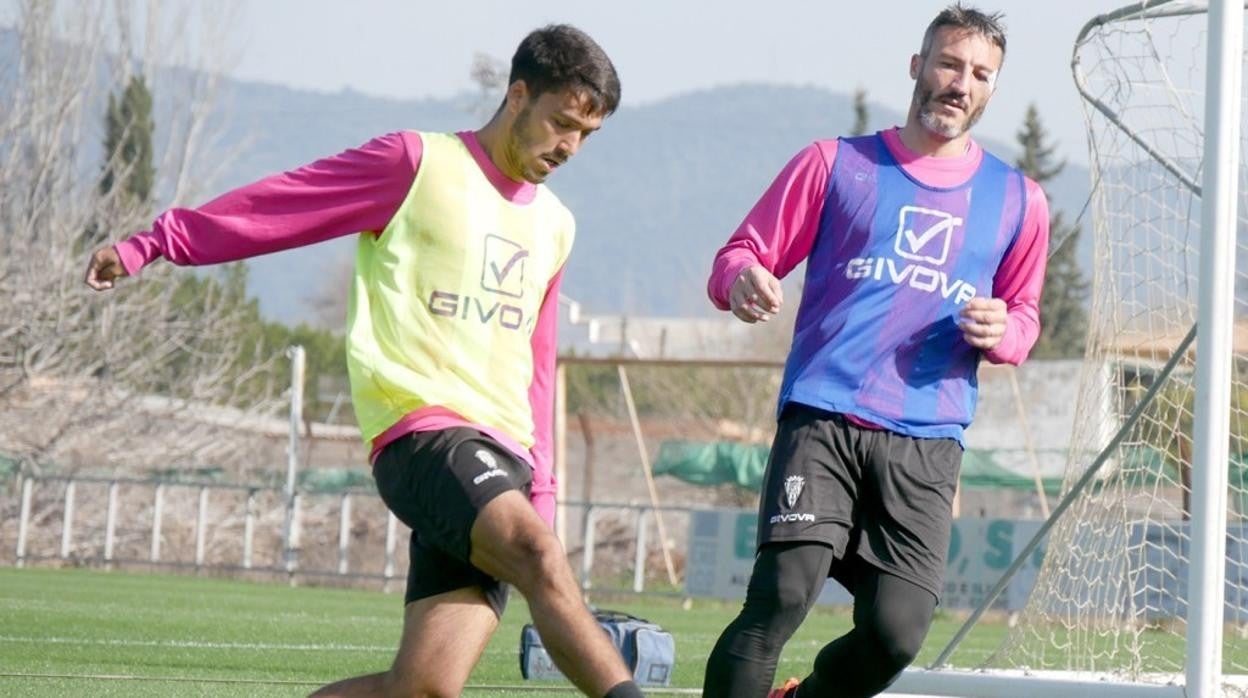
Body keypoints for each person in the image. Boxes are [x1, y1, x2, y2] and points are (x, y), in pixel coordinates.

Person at [84, 24, 646, 698]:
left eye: (587, 135)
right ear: (518, 95)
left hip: (504, 462)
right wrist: (156, 243)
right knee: (538, 557)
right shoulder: (417, 165)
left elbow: (538, 364)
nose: (570, 147)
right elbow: (284, 205)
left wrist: (543, 494)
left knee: (420, 688)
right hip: (424, 436)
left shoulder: (556, 224)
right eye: (561, 123)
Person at [700, 5, 1049, 697]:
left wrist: (1002, 331)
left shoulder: (1019, 199)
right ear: (917, 66)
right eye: (949, 63)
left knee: (897, 633)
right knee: (783, 595)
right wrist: (742, 279)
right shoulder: (835, 164)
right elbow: (739, 254)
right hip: (824, 417)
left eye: (980, 74)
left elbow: (1025, 316)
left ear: (991, 91)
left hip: (927, 436)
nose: (960, 83)